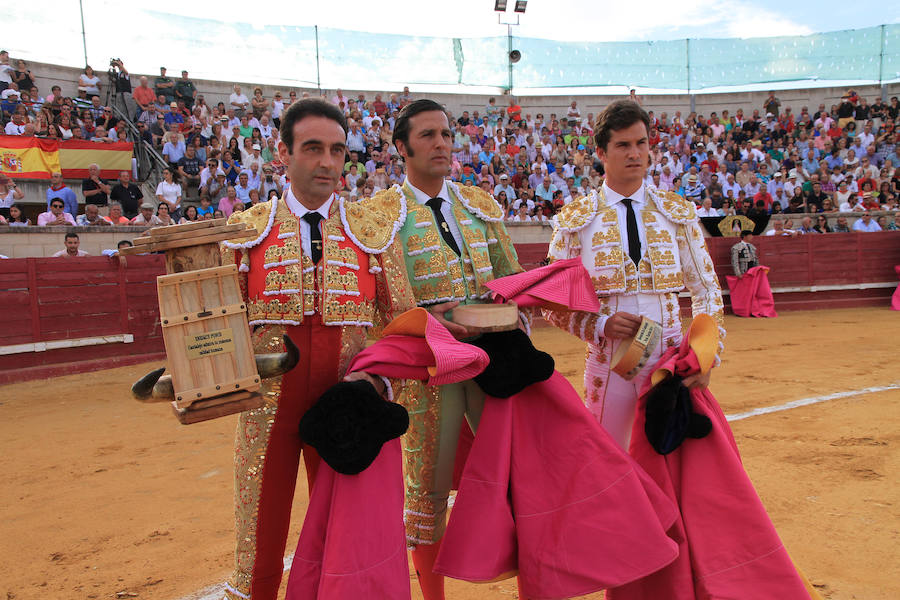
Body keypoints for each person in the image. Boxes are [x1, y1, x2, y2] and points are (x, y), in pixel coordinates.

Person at [220, 98, 410, 600]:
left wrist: (376, 383)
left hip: (346, 408)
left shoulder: (371, 233)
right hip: (266, 410)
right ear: (283, 153)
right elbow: (215, 328)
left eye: (336, 150)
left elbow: (405, 327)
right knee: (259, 536)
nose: (327, 162)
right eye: (312, 148)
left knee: (348, 538)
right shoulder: (244, 233)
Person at [373, 98, 524, 600]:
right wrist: (432, 323)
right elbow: (382, 305)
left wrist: (507, 315)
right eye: (428, 136)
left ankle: (533, 584)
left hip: (492, 359)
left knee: (515, 475)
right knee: (427, 491)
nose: (442, 144)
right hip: (428, 365)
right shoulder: (382, 217)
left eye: (447, 135)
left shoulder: (479, 205)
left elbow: (511, 281)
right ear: (402, 147)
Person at [544, 99, 725, 450]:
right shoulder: (575, 221)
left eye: (641, 143)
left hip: (671, 362)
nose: (635, 153)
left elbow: (706, 290)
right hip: (609, 363)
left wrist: (705, 356)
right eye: (623, 145)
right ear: (601, 152)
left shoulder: (676, 213)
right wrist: (599, 325)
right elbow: (552, 303)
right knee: (608, 459)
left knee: (669, 461)